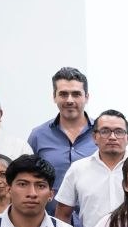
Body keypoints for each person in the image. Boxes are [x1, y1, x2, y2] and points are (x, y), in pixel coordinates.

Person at [27, 66, 96, 218]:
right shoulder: (38, 136)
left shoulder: (103, 134)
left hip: (95, 224)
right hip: (51, 224)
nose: (70, 100)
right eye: (63, 94)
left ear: (86, 97)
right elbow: (29, 179)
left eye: (76, 94)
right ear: (54, 97)